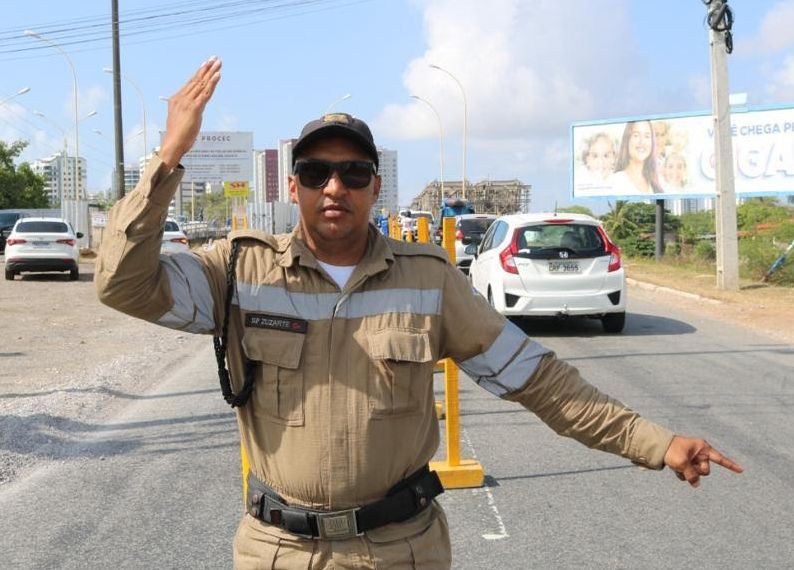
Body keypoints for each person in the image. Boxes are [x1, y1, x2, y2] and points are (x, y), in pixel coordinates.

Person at [96, 58, 743, 569]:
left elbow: (540, 382)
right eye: (316, 170)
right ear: (291, 185)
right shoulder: (239, 270)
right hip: (277, 552)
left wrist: (656, 443)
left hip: (400, 552)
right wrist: (168, 158)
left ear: (377, 186)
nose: (334, 187)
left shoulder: (428, 281)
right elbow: (123, 283)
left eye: (353, 172)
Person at [609, 120, 663, 195]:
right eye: (636, 135)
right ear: (627, 139)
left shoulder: (656, 183)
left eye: (647, 136)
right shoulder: (615, 181)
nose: (642, 142)